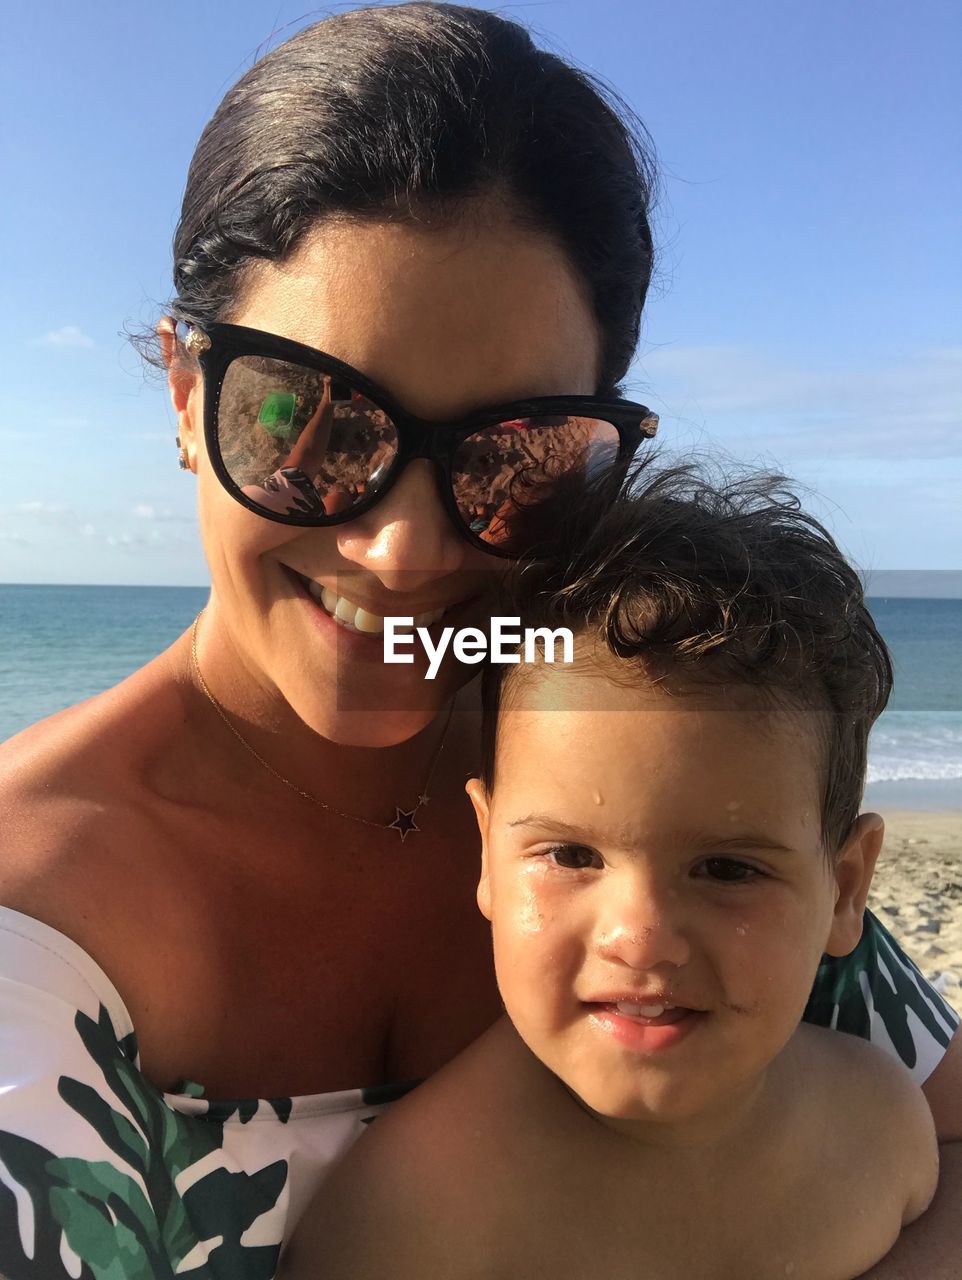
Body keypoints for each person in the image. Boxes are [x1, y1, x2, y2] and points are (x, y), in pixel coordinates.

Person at [0, 6, 957, 1278]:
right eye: (315, 422)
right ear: (186, 394)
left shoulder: (653, 773)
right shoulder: (28, 924)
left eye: (515, 456)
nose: (399, 550)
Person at [281, 462, 941, 1279]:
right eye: (569, 855)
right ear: (487, 854)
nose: (641, 939)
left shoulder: (883, 1130)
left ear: (844, 891)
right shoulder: (415, 1224)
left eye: (727, 868)